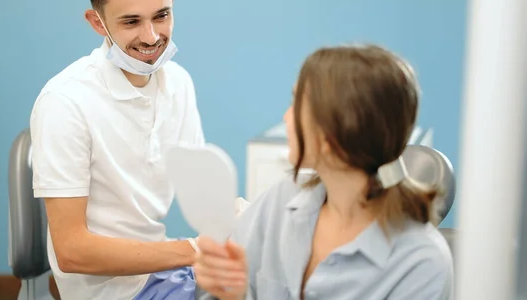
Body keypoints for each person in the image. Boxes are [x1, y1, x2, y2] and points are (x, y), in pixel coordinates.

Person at [193, 45, 454, 300]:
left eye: (296, 104)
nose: (286, 117)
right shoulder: (282, 199)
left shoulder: (421, 264)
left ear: (332, 139)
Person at [29, 0, 204, 298]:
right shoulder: (65, 101)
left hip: (163, 270)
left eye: (161, 15)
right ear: (98, 22)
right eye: (131, 22)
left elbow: (202, 192)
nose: (151, 37)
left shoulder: (178, 83)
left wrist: (244, 221)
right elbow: (71, 251)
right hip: (112, 291)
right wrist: (194, 250)